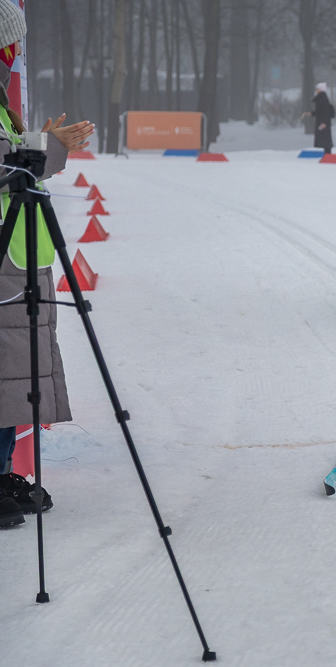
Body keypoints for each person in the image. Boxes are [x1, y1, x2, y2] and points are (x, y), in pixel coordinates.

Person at [0, 9, 95, 528]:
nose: (14, 57)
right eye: (10, 46)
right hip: (4, 259)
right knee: (7, 365)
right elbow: (6, 166)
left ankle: (0, 471)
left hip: (16, 256)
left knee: (13, 372)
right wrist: (48, 147)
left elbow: (13, 158)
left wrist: (43, 144)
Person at [301, 83, 335, 154]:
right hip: (322, 121)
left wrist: (324, 122)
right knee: (324, 139)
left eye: (317, 89)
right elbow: (320, 111)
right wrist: (312, 113)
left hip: (323, 122)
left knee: (325, 139)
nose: (316, 91)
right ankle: (326, 153)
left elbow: (326, 112)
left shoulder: (323, 99)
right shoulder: (321, 98)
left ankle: (328, 154)